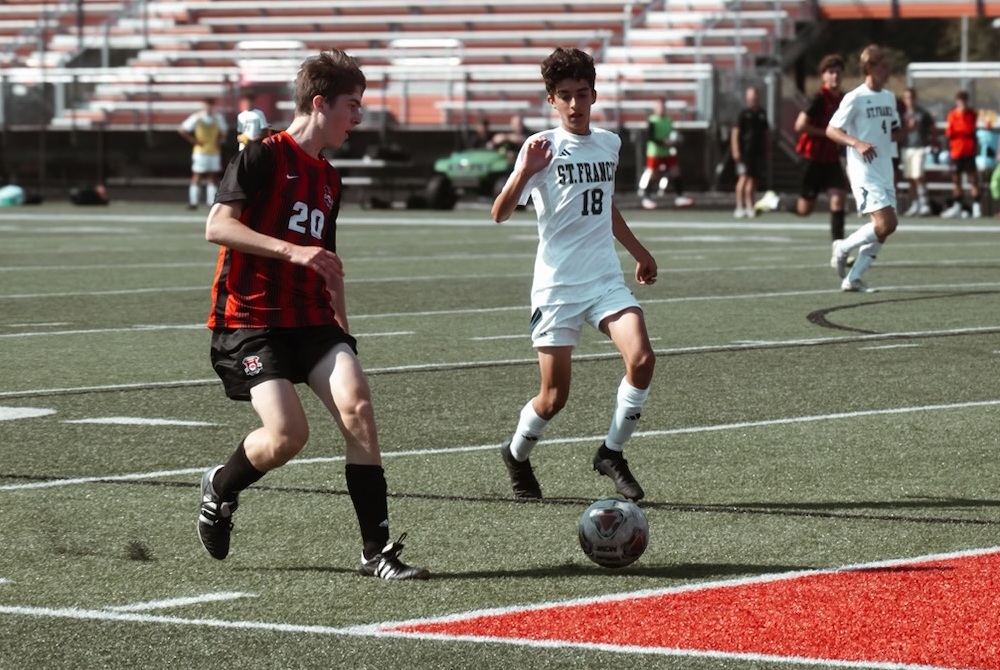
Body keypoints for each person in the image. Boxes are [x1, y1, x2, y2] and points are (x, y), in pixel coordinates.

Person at [198, 49, 428, 580]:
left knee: (358, 408)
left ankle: (376, 551)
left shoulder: (330, 179)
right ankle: (221, 488)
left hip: (313, 319)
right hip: (251, 319)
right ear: (320, 104)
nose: (359, 116)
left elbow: (328, 262)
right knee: (287, 436)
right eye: (353, 104)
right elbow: (217, 226)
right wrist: (290, 250)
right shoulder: (260, 156)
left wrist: (344, 331)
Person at [491, 47, 658, 502]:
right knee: (553, 397)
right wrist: (524, 170)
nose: (574, 104)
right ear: (551, 100)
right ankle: (517, 453)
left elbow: (605, 206)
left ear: (594, 95)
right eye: (564, 96)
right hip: (557, 286)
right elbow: (500, 213)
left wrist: (640, 252)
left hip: (604, 278)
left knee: (642, 359)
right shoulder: (539, 148)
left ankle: (612, 452)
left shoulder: (609, 143)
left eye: (581, 94)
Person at [827, 44, 904, 293]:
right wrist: (856, 143)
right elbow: (832, 129)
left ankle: (853, 279)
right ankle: (842, 247)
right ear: (869, 66)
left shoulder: (889, 97)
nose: (888, 69)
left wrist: (910, 130)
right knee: (886, 223)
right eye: (883, 65)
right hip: (864, 170)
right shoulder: (854, 97)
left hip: (884, 169)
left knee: (883, 229)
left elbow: (892, 132)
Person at [793, 54, 849, 242]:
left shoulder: (845, 100)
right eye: (831, 72)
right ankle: (775, 203)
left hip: (831, 159)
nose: (835, 76)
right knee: (805, 210)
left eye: (838, 72)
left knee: (838, 198)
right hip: (813, 158)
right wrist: (827, 133)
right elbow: (800, 125)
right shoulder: (818, 99)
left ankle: (838, 247)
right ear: (823, 76)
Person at [637, 97, 693, 210]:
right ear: (655, 108)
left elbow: (671, 133)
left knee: (675, 171)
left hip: (667, 151)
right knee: (654, 174)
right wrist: (663, 142)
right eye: (659, 106)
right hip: (655, 152)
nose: (661, 109)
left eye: (663, 106)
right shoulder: (652, 120)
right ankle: (646, 197)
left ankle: (679, 196)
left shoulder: (668, 120)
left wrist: (673, 141)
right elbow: (650, 137)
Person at [178, 98, 227, 210]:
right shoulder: (197, 117)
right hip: (200, 152)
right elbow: (182, 129)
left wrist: (220, 140)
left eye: (210, 105)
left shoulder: (217, 118)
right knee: (197, 175)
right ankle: (193, 202)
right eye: (206, 105)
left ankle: (211, 202)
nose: (208, 107)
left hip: (214, 151)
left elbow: (224, 131)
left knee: (212, 176)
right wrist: (193, 140)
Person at [731, 85, 770, 218]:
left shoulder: (761, 113)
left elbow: (765, 132)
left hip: (757, 152)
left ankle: (750, 205)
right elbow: (735, 133)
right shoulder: (742, 113)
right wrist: (736, 150)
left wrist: (767, 148)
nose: (753, 99)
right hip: (745, 152)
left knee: (754, 180)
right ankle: (739, 206)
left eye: (754, 96)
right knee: (743, 178)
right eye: (750, 96)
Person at [941, 91, 981, 219]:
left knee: (973, 179)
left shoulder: (973, 114)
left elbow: (973, 129)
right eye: (960, 100)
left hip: (969, 151)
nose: (962, 103)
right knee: (956, 180)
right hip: (957, 152)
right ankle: (958, 206)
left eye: (964, 100)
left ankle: (976, 207)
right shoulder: (952, 115)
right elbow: (949, 133)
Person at [899, 87, 936, 216]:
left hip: (920, 147)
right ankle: (915, 204)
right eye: (907, 98)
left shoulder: (922, 114)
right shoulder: (901, 114)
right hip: (906, 147)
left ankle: (925, 204)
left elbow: (933, 129)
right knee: (910, 178)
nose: (910, 100)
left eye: (912, 97)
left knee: (918, 176)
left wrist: (931, 142)